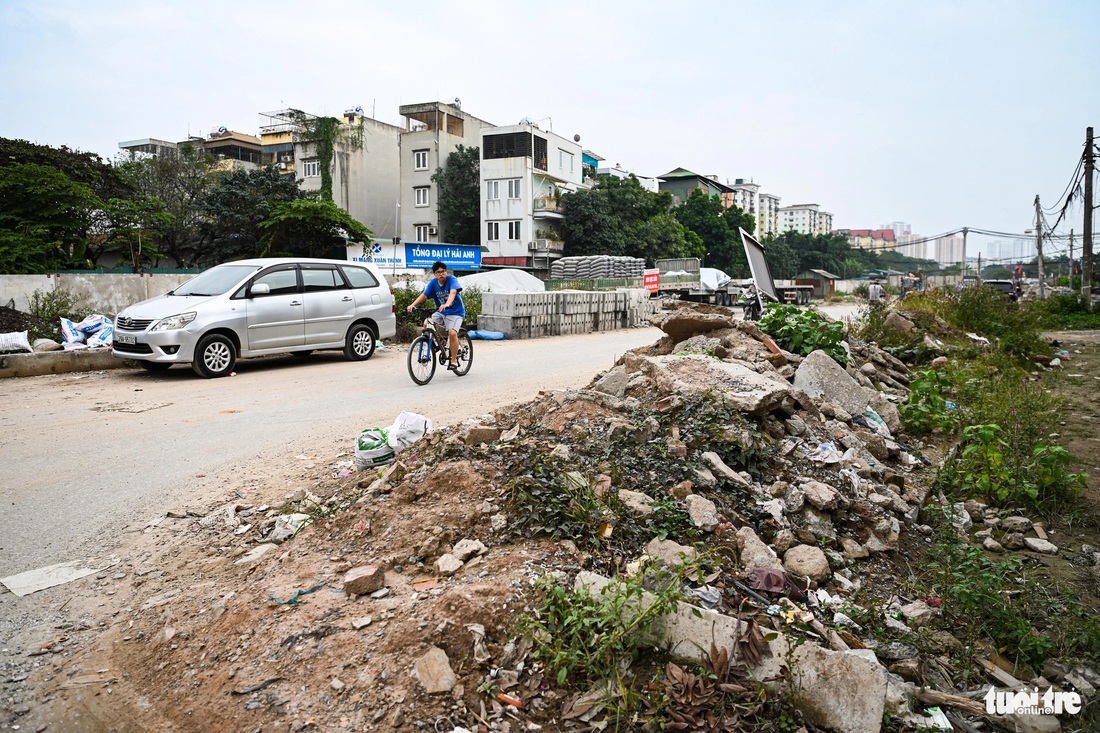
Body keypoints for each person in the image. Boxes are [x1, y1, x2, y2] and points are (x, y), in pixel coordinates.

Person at [407, 261, 465, 370]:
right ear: (434, 274)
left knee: (452, 333)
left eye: (443, 271)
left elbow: (453, 292)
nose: (441, 274)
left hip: (456, 312)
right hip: (441, 311)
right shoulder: (433, 283)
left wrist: (447, 304)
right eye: (438, 272)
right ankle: (440, 341)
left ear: (446, 272)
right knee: (427, 323)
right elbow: (424, 295)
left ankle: (453, 361)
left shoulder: (452, 279)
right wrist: (413, 305)